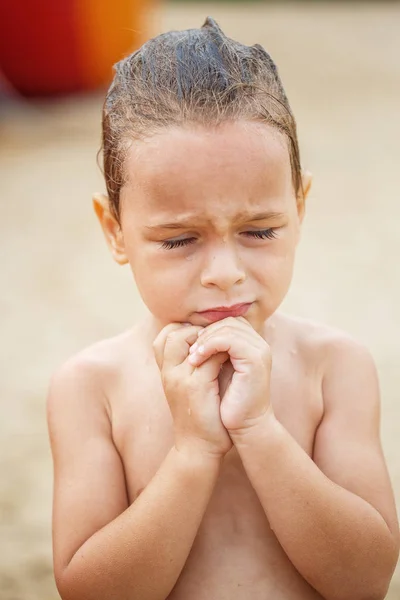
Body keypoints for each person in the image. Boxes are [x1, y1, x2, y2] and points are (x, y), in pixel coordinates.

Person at [47, 17, 399, 600]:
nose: (224, 272)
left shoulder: (334, 368)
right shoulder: (92, 389)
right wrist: (193, 453)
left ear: (300, 207)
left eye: (260, 230)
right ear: (114, 231)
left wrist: (259, 431)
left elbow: (364, 581)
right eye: (180, 240)